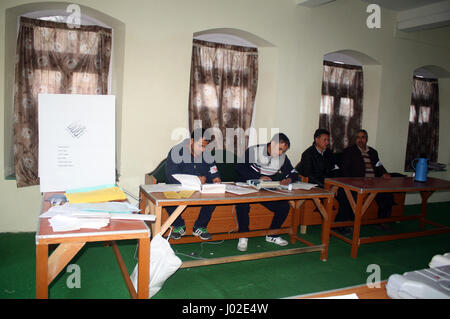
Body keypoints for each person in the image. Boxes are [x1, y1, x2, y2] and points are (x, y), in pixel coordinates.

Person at [234, 133, 299, 251]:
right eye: (279, 149)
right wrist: (258, 177)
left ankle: (272, 235)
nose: (280, 153)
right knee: (242, 205)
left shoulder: (282, 157)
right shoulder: (254, 151)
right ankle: (243, 236)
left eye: (283, 151)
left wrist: (289, 179)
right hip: (247, 186)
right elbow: (240, 167)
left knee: (283, 207)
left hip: (265, 189)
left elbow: (294, 172)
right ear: (272, 143)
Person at [165, 128, 221, 240]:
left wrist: (216, 178)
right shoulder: (177, 152)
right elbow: (171, 175)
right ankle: (178, 225)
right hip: (180, 186)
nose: (203, 150)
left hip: (201, 188)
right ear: (191, 141)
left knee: (214, 194)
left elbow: (213, 170)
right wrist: (195, 180)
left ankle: (200, 226)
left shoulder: (206, 153)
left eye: (205, 146)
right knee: (167, 193)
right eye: (200, 146)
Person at [296, 129, 351, 235]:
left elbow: (336, 170)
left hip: (330, 184)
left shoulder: (329, 153)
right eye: (325, 140)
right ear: (316, 140)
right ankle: (327, 228)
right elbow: (309, 175)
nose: (327, 142)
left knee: (347, 194)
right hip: (315, 184)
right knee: (327, 198)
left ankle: (338, 224)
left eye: (328, 140)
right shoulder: (308, 154)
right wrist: (327, 187)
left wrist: (335, 185)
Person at [340, 129, 395, 229]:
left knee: (387, 194)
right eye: (358, 137)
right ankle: (350, 223)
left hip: (374, 183)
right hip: (357, 183)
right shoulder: (349, 151)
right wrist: (353, 182)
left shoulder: (373, 152)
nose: (360, 140)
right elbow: (344, 170)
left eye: (363, 137)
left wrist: (384, 173)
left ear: (367, 139)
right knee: (352, 196)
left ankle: (382, 220)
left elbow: (378, 165)